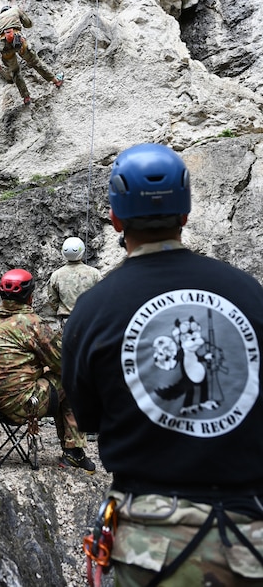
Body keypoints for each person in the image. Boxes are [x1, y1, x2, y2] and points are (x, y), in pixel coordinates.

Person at [62, 143, 263, 586]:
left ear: (116, 218)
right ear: (185, 214)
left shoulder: (95, 309)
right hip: (250, 537)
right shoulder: (250, 294)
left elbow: (90, 416)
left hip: (151, 546)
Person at [0, 268, 95, 472]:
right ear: (30, 296)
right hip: (21, 407)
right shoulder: (32, 324)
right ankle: (74, 452)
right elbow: (64, 363)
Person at [0, 5, 64, 106]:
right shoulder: (15, 9)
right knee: (34, 62)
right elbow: (28, 24)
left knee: (15, 72)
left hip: (4, 47)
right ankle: (56, 81)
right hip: (18, 41)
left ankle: (26, 97)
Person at [47, 236, 102, 327]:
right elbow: (102, 296)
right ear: (82, 251)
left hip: (68, 320)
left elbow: (52, 300)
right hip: (89, 319)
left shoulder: (56, 275)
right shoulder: (94, 273)